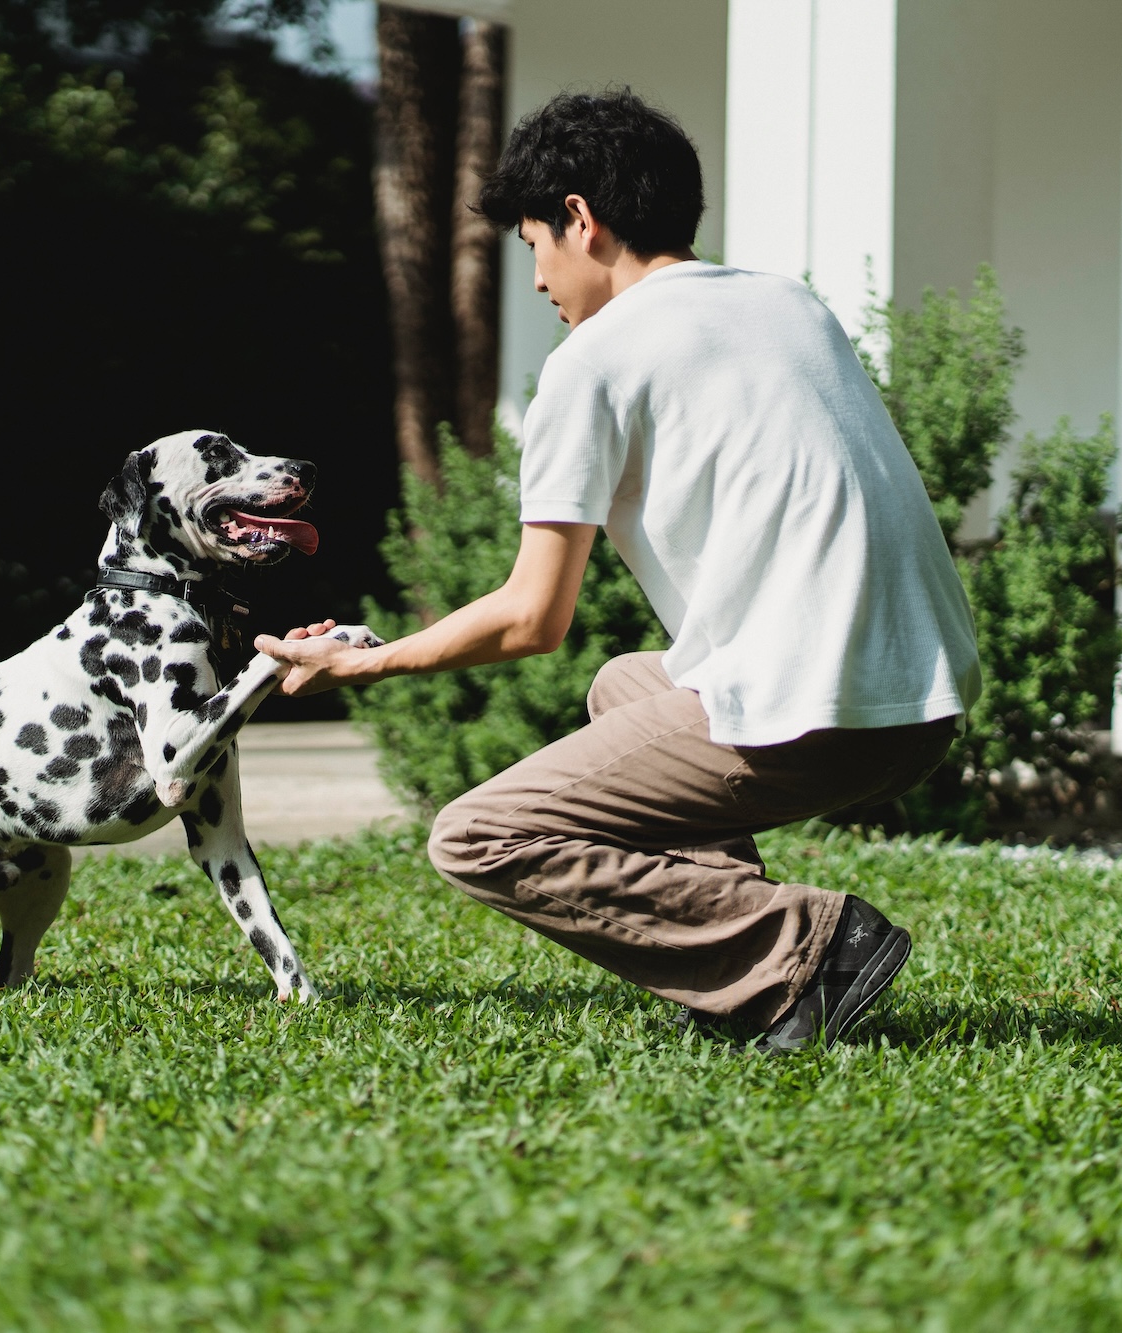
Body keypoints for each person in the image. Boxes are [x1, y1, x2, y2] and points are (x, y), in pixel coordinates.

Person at [257, 90, 980, 1051]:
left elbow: (531, 618)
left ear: (580, 219)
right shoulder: (788, 303)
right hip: (922, 704)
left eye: (533, 246)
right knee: (624, 684)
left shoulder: (592, 360)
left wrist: (369, 663)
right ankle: (772, 982)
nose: (541, 281)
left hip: (822, 718)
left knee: (477, 836)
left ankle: (804, 947)